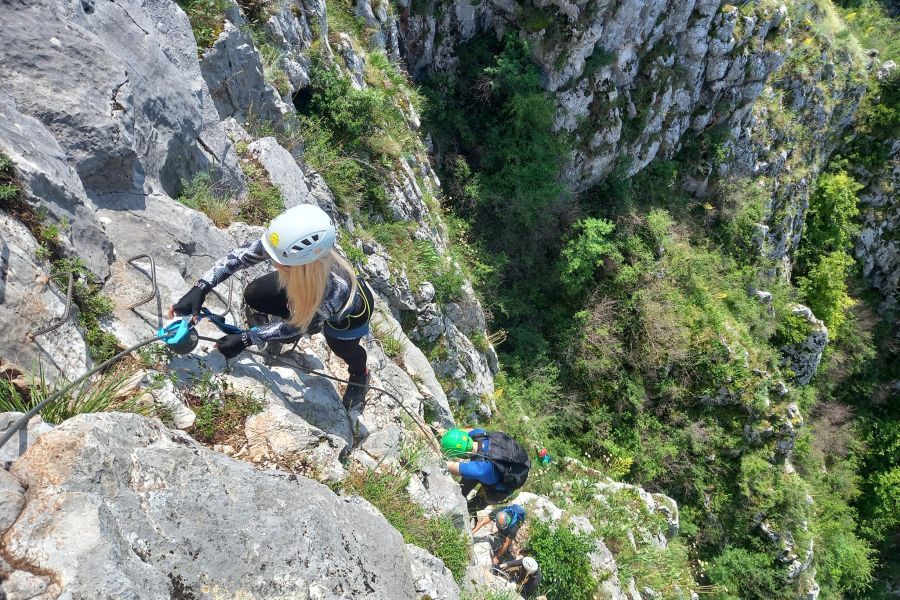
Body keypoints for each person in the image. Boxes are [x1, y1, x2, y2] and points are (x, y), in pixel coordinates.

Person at [170, 204, 374, 408]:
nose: (274, 265)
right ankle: (298, 317)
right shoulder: (291, 250)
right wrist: (201, 288)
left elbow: (296, 326)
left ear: (304, 265)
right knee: (255, 294)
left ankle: (359, 374)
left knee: (344, 349)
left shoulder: (335, 290)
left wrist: (246, 338)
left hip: (347, 318)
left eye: (282, 263)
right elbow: (240, 257)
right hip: (306, 286)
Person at [441, 428, 531, 513]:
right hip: (495, 469)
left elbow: (445, 465)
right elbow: (462, 433)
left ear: (461, 454)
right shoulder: (479, 434)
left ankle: (469, 509)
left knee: (478, 503)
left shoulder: (479, 469)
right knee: (469, 475)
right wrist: (448, 435)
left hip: (498, 489)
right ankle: (464, 497)